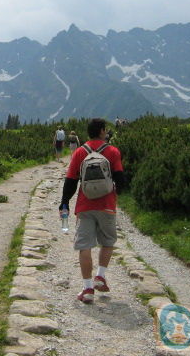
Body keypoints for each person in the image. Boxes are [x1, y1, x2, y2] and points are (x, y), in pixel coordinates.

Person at [58, 118, 125, 303]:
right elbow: (120, 179)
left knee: (84, 246)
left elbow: (71, 181)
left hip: (85, 206)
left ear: (88, 133)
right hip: (107, 205)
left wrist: (64, 202)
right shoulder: (112, 151)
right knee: (108, 241)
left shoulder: (80, 152)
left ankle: (87, 289)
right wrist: (118, 191)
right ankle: (100, 276)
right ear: (103, 131)